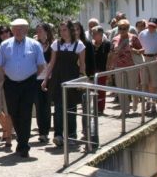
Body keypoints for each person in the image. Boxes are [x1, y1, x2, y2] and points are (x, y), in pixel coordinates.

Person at [0, 18, 46, 158]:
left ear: (26, 29)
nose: (18, 31)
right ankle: (21, 139)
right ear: (12, 30)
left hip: (29, 83)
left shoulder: (34, 45)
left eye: (21, 28)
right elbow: (0, 65)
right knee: (13, 112)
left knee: (26, 113)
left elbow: (41, 65)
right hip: (10, 84)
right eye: (15, 28)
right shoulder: (5, 45)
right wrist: (8, 76)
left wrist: (37, 80)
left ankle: (23, 145)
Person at [42, 20, 86, 148]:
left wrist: (82, 79)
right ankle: (58, 135)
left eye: (65, 30)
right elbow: (51, 63)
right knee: (58, 108)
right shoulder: (56, 44)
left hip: (72, 79)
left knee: (71, 108)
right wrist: (46, 79)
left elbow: (82, 65)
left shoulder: (79, 45)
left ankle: (72, 135)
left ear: (71, 30)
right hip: (58, 79)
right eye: (60, 30)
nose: (62, 32)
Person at [107, 19, 144, 115]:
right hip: (118, 66)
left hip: (131, 66)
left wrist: (133, 50)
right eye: (120, 28)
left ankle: (135, 101)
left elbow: (142, 50)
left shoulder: (134, 38)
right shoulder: (115, 39)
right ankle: (125, 110)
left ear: (128, 28)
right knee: (121, 88)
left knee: (132, 87)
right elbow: (111, 53)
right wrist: (110, 66)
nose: (122, 30)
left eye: (124, 28)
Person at [138, 17, 157, 112]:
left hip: (154, 58)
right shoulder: (142, 34)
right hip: (144, 58)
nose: (150, 27)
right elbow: (138, 45)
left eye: (153, 26)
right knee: (144, 82)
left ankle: (153, 103)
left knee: (154, 83)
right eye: (149, 25)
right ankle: (148, 101)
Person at [34, 23, 54, 143]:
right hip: (36, 78)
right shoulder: (34, 44)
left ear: (47, 31)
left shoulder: (53, 45)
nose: (38, 33)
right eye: (37, 31)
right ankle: (41, 131)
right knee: (38, 105)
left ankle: (45, 131)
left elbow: (52, 62)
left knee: (46, 105)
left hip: (49, 78)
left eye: (40, 31)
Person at [92, 26, 111, 113]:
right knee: (93, 89)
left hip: (103, 70)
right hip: (92, 70)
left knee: (101, 90)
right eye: (92, 33)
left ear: (100, 34)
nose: (93, 35)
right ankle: (95, 107)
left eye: (95, 34)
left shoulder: (106, 44)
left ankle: (100, 108)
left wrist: (109, 70)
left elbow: (110, 57)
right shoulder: (91, 44)